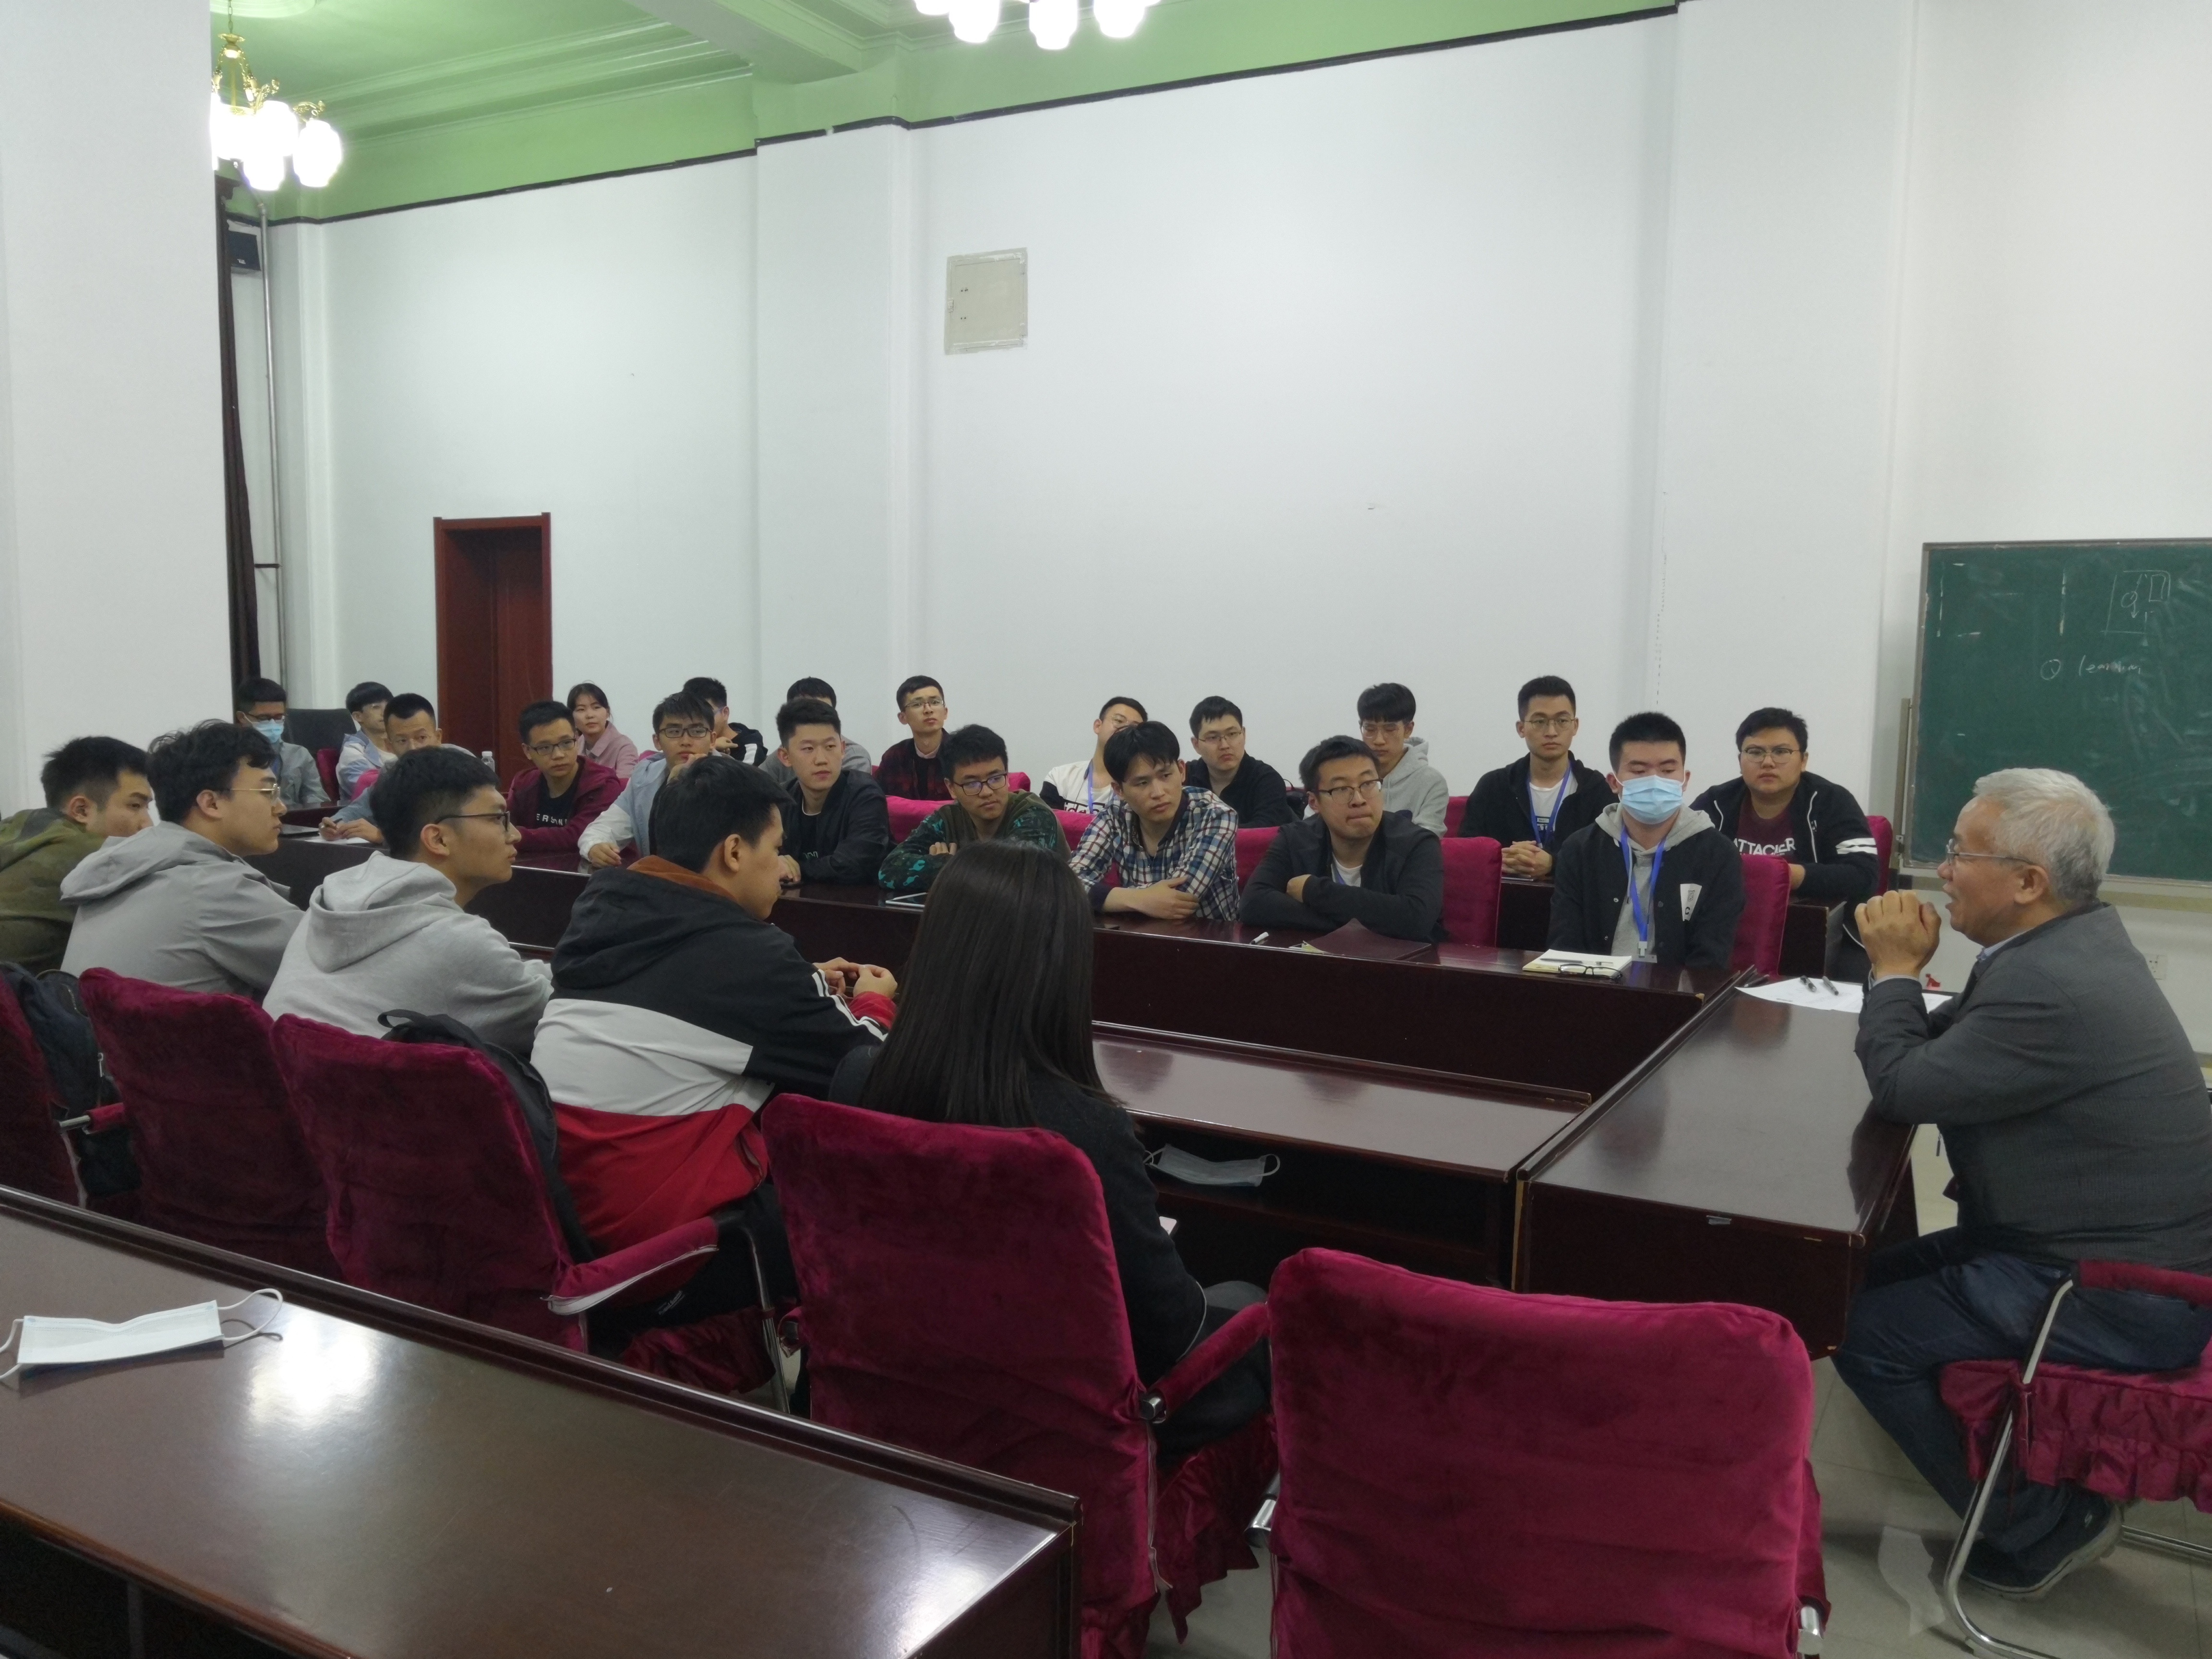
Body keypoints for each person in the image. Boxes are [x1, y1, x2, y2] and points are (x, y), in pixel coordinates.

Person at [1837, 769, 2212, 1599]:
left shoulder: (2052, 983)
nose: (1941, 870)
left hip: (2118, 1293)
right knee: (1847, 1280)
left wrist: (1893, 971)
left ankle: (2041, 1524)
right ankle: (2008, 1476)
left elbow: (1904, 1086)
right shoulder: (2062, 944)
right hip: (2068, 1245)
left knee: (1861, 1332)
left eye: (1960, 853)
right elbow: (1943, 1048)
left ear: (2028, 882)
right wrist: (1899, 1000)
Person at [834, 839, 1270, 1455]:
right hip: (1060, 1434)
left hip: (898, 1391)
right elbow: (1170, 1334)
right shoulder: (1085, 1132)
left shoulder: (857, 1080)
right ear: (1062, 964)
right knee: (1249, 1307)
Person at [533, 756, 895, 1326]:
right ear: (733, 853)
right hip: (667, 1261)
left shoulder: (604, 912)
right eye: (776, 849)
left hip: (569, 1233)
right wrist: (876, 1000)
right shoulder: (748, 956)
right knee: (856, 1193)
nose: (782, 870)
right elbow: (869, 1069)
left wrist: (799, 983)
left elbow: (687, 993)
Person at [264, 747, 551, 1053]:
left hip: (285, 1076)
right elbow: (554, 1013)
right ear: (438, 839)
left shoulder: (331, 896)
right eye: (497, 818)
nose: (515, 835)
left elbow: (500, 972)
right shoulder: (457, 940)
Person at [60, 721, 300, 997]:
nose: (281, 808)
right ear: (211, 803)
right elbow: (328, 963)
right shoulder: (212, 888)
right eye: (269, 793)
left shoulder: (125, 865)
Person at [1690, 707, 1880, 978]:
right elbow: (1683, 862)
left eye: (1781, 752)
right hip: (1727, 928)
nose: (1768, 762)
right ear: (1740, 759)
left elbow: (1864, 875)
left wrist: (1786, 876)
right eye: (1755, 752)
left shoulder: (1832, 802)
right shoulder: (1716, 803)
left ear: (1803, 760)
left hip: (1821, 934)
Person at [1546, 711, 1743, 967]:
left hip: (1679, 991)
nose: (1654, 782)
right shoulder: (1580, 850)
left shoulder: (1718, 855)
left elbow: (1710, 960)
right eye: (1639, 771)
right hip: (1595, 987)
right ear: (1614, 783)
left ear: (1685, 780)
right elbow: (1565, 948)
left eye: (1668, 770)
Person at [1240, 736, 1445, 942]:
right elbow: (1253, 904)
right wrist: (1354, 925)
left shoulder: (1417, 844)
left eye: (1368, 784)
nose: (1359, 800)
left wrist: (1312, 890)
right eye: (1341, 789)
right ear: (1314, 802)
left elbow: (1416, 918)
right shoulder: (1294, 839)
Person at [0, 738, 153, 972]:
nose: (147, 824)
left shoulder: (16, 830)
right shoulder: (97, 857)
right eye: (135, 806)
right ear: (81, 810)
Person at [1068, 722, 1240, 922]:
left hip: (1207, 938)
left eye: (1165, 776)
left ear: (1181, 771)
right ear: (1119, 790)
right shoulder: (1115, 815)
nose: (1158, 793)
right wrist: (1139, 899)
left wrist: (1111, 898)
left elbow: (1179, 898)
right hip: (1137, 935)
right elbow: (1069, 884)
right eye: (1142, 783)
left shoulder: (1216, 815)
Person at [879, 725, 1068, 894]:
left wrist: (948, 865)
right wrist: (944, 863)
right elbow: (888, 871)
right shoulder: (947, 819)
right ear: (951, 788)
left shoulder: (1034, 814)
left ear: (1007, 776)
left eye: (996, 779)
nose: (986, 792)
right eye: (972, 784)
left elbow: (1014, 877)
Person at [1460, 676, 1614, 877]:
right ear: (1521, 729)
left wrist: (1554, 863)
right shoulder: (1493, 786)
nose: (1551, 732)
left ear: (1575, 726)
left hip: (1569, 895)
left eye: (1562, 721)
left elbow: (1608, 859)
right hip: (1505, 893)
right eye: (1540, 721)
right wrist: (1498, 858)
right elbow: (1466, 850)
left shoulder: (1596, 789)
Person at [580, 691, 721, 867]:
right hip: (656, 881)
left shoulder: (737, 781)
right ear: (657, 741)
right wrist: (595, 847)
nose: (686, 741)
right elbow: (600, 830)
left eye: (697, 731)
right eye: (674, 731)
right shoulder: (644, 777)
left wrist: (681, 782)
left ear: (713, 739)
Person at [773, 697, 891, 887]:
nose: (822, 759)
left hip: (858, 901)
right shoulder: (780, 801)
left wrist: (798, 869)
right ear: (786, 757)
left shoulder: (865, 795)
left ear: (843, 749)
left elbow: (854, 865)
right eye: (808, 749)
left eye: (830, 747)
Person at [321, 692, 461, 842]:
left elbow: (457, 831)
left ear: (438, 737)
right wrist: (333, 825)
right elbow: (358, 810)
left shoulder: (460, 767)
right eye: (402, 741)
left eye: (421, 738)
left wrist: (384, 837)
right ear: (389, 745)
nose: (413, 748)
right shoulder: (392, 772)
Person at [505, 700, 622, 862]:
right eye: (545, 748)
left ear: (577, 738)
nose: (558, 755)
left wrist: (517, 835)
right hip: (531, 871)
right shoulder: (524, 783)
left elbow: (579, 835)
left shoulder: (603, 783)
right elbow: (503, 824)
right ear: (527, 751)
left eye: (566, 743)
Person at [1184, 697, 1297, 828]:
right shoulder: (1184, 778)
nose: (1225, 745)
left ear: (1243, 734)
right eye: (1213, 737)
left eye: (1232, 734)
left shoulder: (1267, 780)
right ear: (1196, 744)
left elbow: (1265, 831)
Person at [1358, 682, 1450, 835]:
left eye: (1390, 729)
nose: (1379, 740)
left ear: (1408, 729)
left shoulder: (1431, 782)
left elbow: (1427, 841)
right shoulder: (1348, 777)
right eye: (1370, 729)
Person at [233, 677, 329, 811]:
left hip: (294, 820)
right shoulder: (231, 756)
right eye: (264, 718)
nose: (273, 723)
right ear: (242, 718)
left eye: (279, 717)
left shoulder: (299, 755)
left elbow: (317, 799)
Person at [1042, 697, 1147, 815]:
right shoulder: (1060, 778)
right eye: (1119, 721)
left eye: (1133, 728)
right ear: (1098, 726)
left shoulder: (1140, 786)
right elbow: (1045, 823)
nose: (1124, 730)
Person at [759, 678, 872, 786]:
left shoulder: (855, 756)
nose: (816, 718)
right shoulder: (785, 753)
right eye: (806, 713)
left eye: (824, 712)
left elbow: (850, 794)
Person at [876, 675, 952, 800]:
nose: (928, 710)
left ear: (945, 712)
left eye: (935, 702)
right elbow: (876, 800)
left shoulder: (963, 755)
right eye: (917, 704)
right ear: (903, 717)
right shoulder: (894, 757)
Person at [683, 676, 768, 767]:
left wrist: (710, 749)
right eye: (690, 717)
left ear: (725, 713)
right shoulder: (686, 739)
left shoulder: (749, 751)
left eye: (707, 715)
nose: (697, 724)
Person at [566, 683, 639, 781]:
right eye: (581, 709)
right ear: (571, 718)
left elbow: (625, 787)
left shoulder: (624, 747)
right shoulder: (574, 746)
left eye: (596, 707)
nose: (590, 715)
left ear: (607, 712)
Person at [336, 680, 394, 801]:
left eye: (389, 706)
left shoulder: (404, 742)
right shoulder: (353, 751)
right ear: (358, 716)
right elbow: (367, 790)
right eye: (376, 707)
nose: (385, 712)